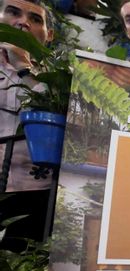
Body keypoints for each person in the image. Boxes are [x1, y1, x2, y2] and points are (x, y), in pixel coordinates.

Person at [0, 0, 53, 193]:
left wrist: (25, 69)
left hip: (38, 195)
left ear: (50, 35)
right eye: (14, 13)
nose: (24, 22)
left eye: (35, 19)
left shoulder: (61, 80)